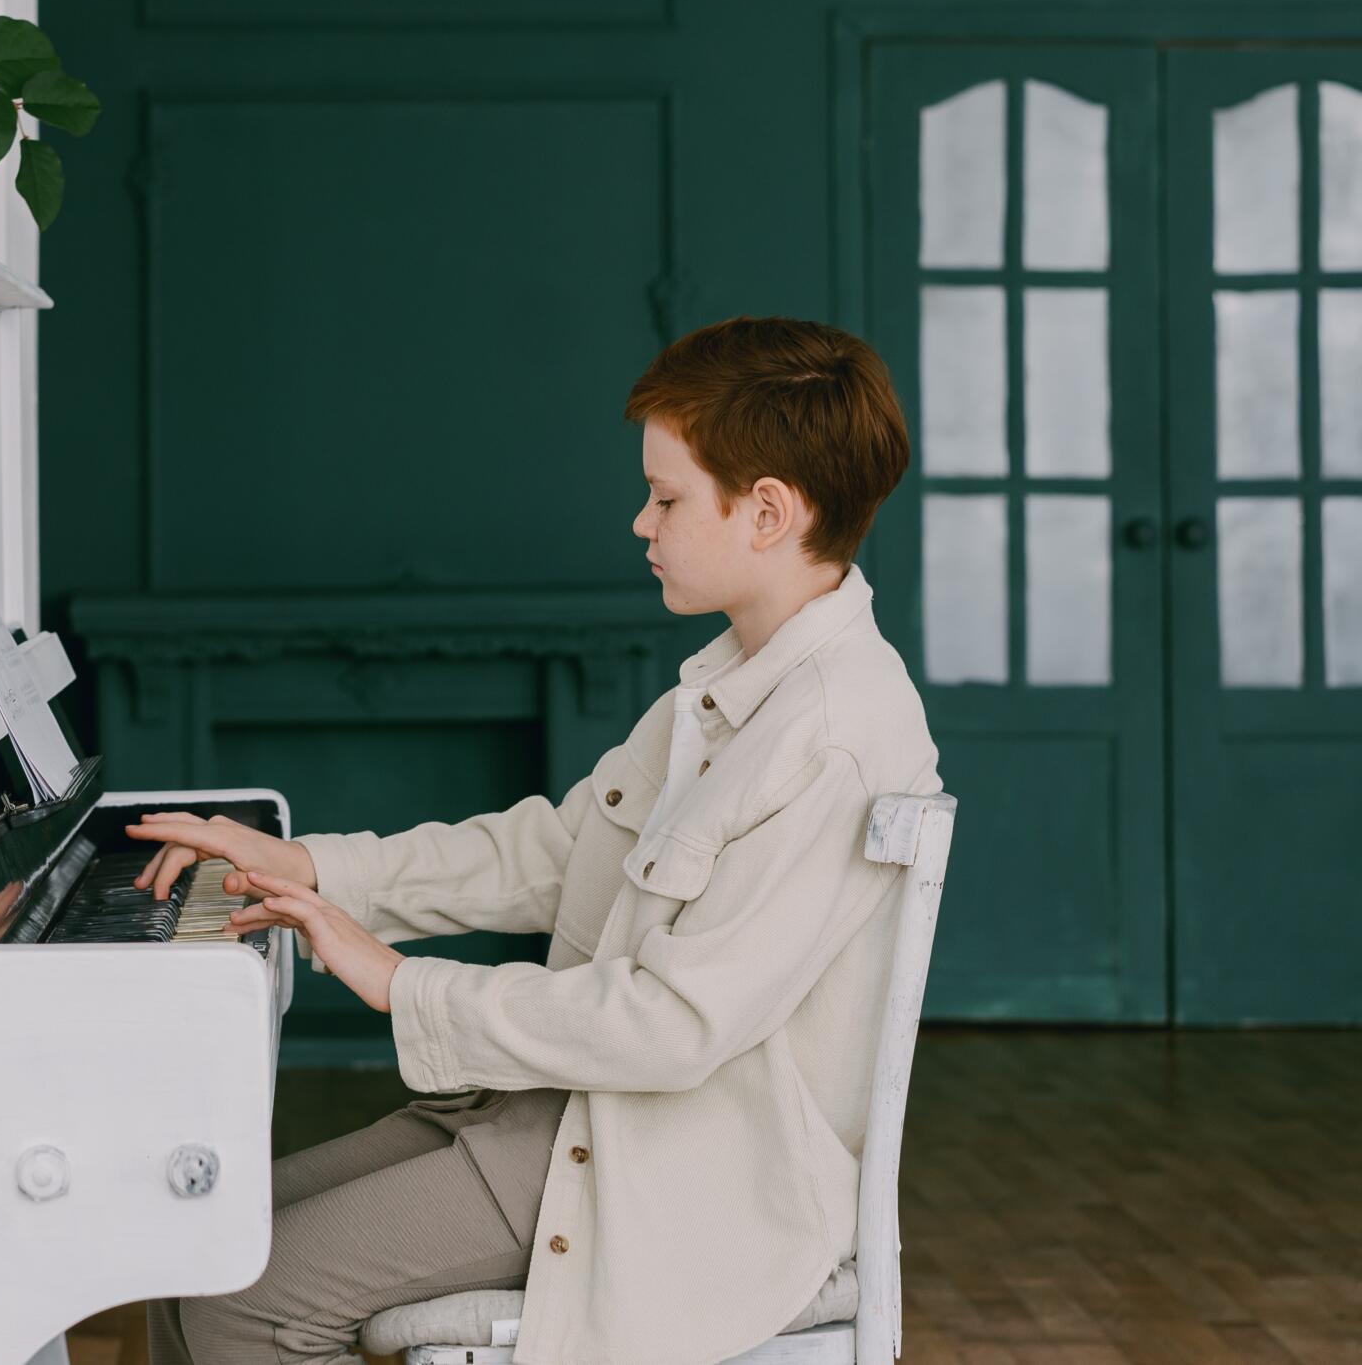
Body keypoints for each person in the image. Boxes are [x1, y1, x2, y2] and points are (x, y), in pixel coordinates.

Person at [127, 315, 941, 1365]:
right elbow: (556, 851)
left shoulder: (831, 734)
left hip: (668, 1170)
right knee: (190, 1238)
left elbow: (672, 1023)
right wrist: (315, 864)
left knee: (246, 1299)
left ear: (768, 511)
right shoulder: (730, 685)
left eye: (666, 496)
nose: (640, 523)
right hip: (559, 1116)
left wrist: (401, 985)